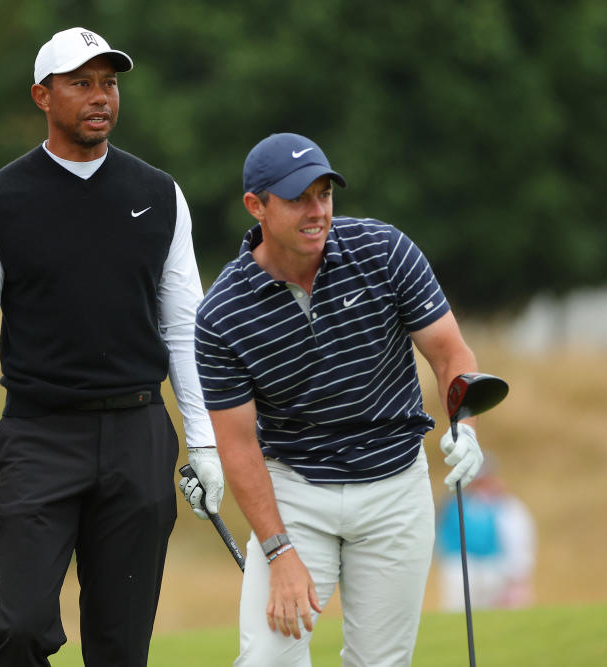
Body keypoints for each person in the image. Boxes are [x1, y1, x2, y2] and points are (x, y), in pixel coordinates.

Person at [0, 27, 224, 667]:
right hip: (39, 438)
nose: (100, 97)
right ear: (43, 96)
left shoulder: (160, 196)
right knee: (19, 631)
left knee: (121, 648)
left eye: (109, 83)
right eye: (81, 83)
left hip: (138, 433)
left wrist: (203, 442)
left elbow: (186, 329)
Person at [193, 132, 487, 666]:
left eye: (325, 194)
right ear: (255, 206)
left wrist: (462, 421)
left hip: (395, 485)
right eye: (299, 198)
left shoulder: (383, 251)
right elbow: (237, 447)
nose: (317, 211)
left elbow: (450, 354)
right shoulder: (222, 313)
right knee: (268, 660)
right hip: (296, 492)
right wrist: (279, 553)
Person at [435, 453, 536, 611]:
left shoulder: (504, 503)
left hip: (491, 566)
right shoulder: (452, 501)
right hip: (458, 565)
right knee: (457, 609)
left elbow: (517, 538)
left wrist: (518, 571)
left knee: (489, 611)